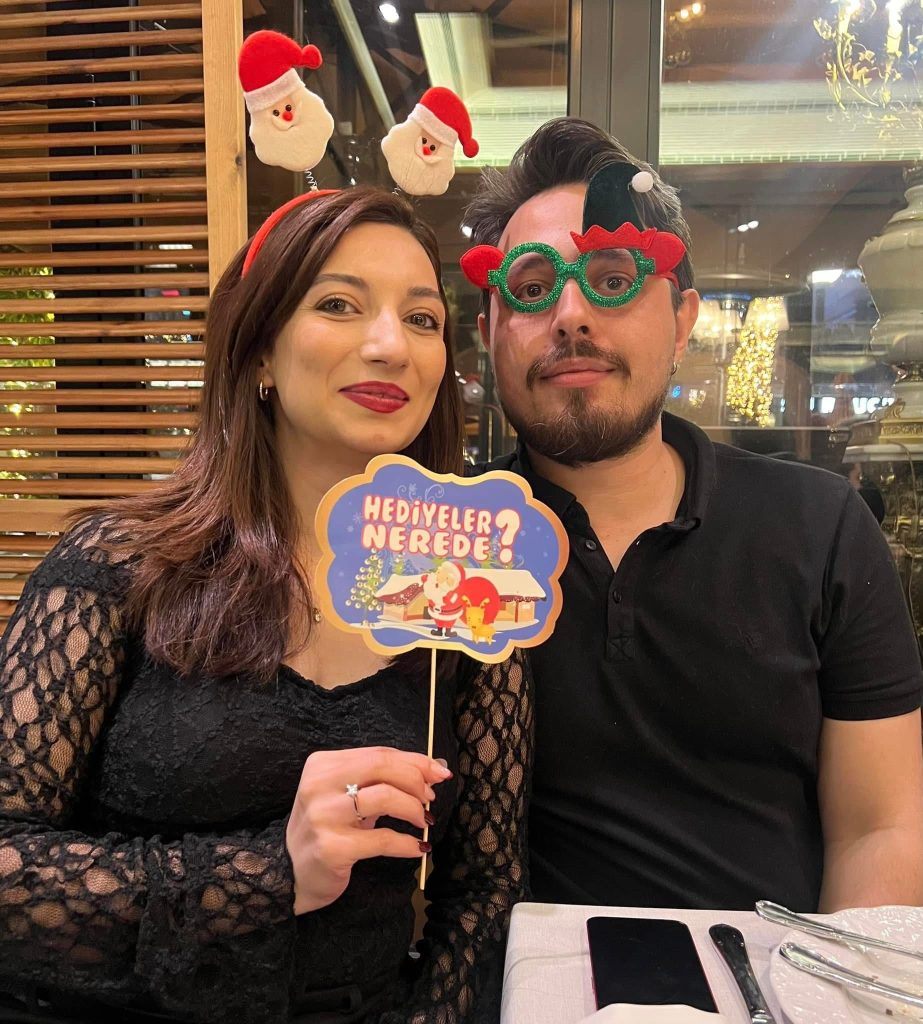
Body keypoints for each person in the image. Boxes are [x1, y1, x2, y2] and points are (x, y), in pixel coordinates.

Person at [0, 187, 531, 1024]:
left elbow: (483, 889)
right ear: (258, 356)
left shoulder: (467, 592)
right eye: (338, 305)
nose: (390, 345)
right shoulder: (116, 564)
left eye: (422, 319)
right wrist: (271, 874)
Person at [462, 116, 923, 913]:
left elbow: (878, 828)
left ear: (681, 322)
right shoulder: (444, 540)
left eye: (611, 278)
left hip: (773, 970)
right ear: (489, 335)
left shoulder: (819, 526)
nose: (569, 315)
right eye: (530, 290)